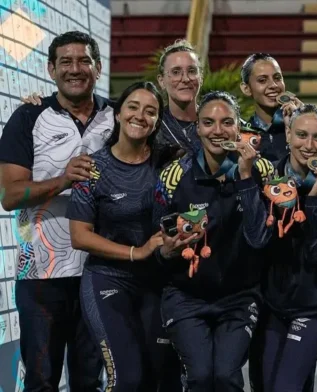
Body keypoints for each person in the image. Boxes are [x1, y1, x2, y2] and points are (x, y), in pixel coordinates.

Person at [0, 31, 108, 392]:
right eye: (66, 62)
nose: (75, 69)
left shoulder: (118, 117)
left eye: (84, 61)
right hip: (41, 276)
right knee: (41, 381)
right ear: (50, 69)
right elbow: (9, 195)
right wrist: (63, 180)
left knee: (89, 382)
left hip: (101, 273)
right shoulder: (29, 116)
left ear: (98, 67)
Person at [66, 81, 183, 391]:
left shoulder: (169, 163)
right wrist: (137, 251)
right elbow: (79, 236)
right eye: (133, 107)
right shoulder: (92, 167)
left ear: (158, 121)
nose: (140, 116)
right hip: (107, 280)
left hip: (157, 284)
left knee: (158, 378)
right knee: (126, 380)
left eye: (151, 111)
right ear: (118, 113)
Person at [156, 91, 272, 391]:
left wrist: (245, 178)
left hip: (240, 297)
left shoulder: (262, 170)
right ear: (197, 127)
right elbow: (157, 241)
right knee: (199, 377)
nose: (217, 131)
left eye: (226, 122)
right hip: (185, 296)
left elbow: (259, 238)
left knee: (225, 376)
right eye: (208, 123)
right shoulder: (174, 175)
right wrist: (167, 251)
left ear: (239, 126)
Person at [259, 104, 317, 391]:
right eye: (301, 135)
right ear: (287, 133)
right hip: (273, 304)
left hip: (314, 305)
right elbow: (256, 240)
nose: (309, 146)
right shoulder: (269, 178)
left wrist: (315, 200)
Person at [241, 53, 303, 162]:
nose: (273, 85)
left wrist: (302, 121)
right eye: (262, 80)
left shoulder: (300, 122)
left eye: (277, 78)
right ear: (246, 88)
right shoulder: (243, 135)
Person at [154, 39, 203, 158]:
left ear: (200, 78)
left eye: (192, 71)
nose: (185, 79)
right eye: (176, 72)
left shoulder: (219, 122)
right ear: (161, 81)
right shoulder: (152, 126)